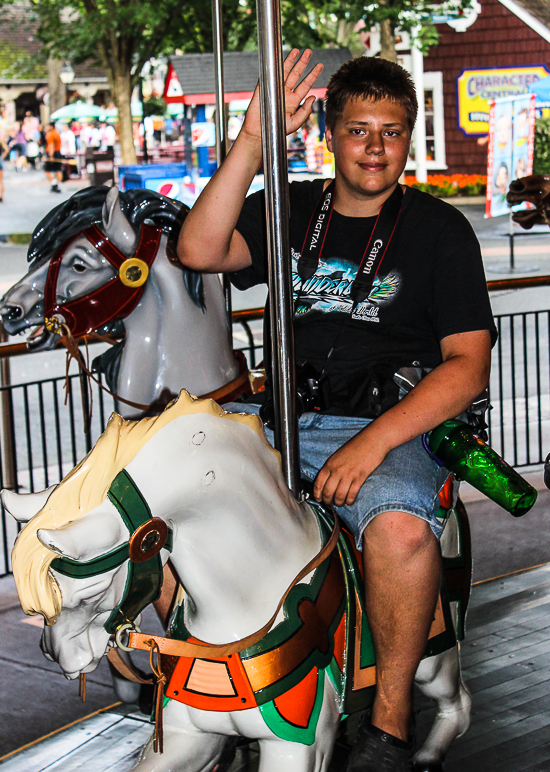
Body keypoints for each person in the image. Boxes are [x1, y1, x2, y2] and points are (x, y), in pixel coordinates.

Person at [177, 51, 495, 771]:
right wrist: (254, 143)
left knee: (400, 531)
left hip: (391, 426)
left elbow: (467, 366)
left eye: (391, 131)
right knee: (173, 500)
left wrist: (371, 445)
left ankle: (388, 725)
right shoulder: (289, 209)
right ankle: (180, 676)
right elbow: (198, 248)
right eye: (358, 130)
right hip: (282, 416)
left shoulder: (440, 231)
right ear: (330, 135)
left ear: (408, 138)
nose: (375, 147)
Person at [44, 122, 63, 192]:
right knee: (58, 170)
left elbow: (51, 145)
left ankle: (54, 183)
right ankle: (58, 185)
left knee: (47, 171)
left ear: (51, 126)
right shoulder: (57, 133)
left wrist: (51, 156)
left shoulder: (50, 134)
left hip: (52, 153)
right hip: (58, 152)